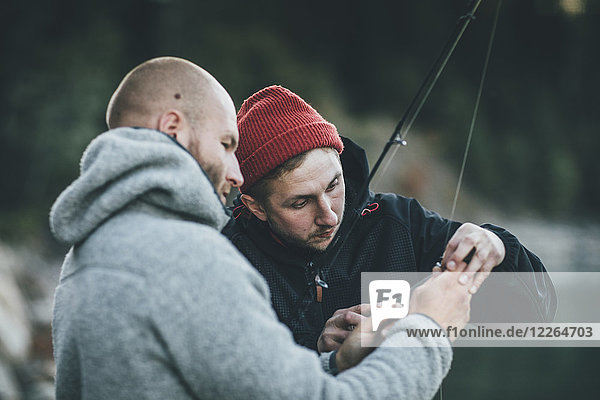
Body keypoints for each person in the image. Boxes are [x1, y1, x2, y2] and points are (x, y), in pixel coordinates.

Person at [50, 56, 473, 399]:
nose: (236, 173)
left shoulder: (89, 253)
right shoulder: (191, 259)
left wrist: (338, 363)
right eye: (225, 145)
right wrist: (426, 330)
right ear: (173, 128)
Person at [224, 85, 557, 352]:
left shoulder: (400, 225)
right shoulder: (226, 258)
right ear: (255, 207)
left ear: (340, 161)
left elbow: (536, 313)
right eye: (300, 203)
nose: (328, 215)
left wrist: (498, 248)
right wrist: (313, 347)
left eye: (334, 185)